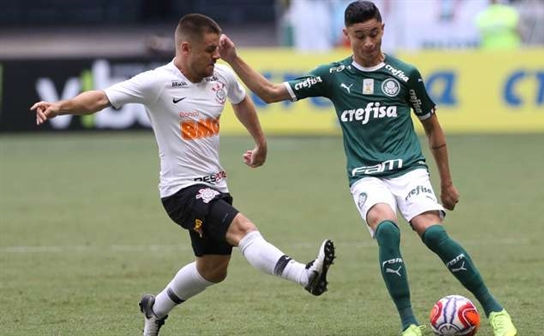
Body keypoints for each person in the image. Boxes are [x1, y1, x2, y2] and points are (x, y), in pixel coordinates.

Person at [218, 1, 517, 336]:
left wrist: (447, 182)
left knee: (433, 234)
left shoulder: (406, 75)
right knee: (387, 231)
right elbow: (271, 93)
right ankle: (409, 325)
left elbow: (433, 127)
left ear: (382, 29)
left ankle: (495, 309)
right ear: (346, 35)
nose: (369, 43)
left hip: (409, 169)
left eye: (374, 33)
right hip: (366, 175)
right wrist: (232, 58)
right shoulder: (332, 76)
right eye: (360, 36)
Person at [30, 13, 335, 336]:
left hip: (215, 187)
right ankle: (305, 275)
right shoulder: (157, 82)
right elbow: (101, 98)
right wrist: (59, 107)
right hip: (180, 192)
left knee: (213, 269)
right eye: (210, 49)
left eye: (218, 48)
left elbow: (242, 101)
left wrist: (260, 143)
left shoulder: (222, 76)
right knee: (243, 229)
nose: (216, 55)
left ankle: (155, 308)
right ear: (186, 48)